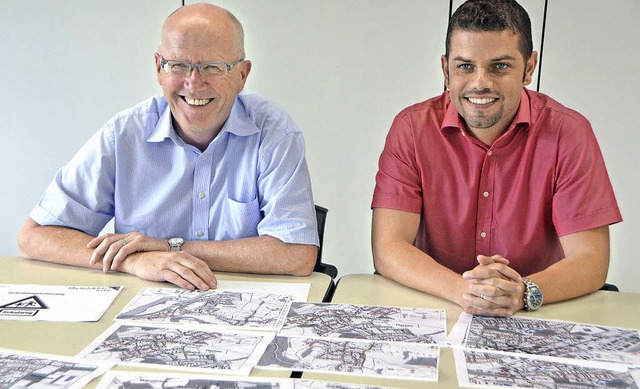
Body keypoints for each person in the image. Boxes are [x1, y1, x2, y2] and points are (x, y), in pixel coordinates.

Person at [17, 3, 318, 290]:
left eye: (213, 67)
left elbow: (296, 254)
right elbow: (35, 236)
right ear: (159, 69)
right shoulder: (123, 135)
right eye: (179, 65)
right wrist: (135, 261)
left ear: (242, 75)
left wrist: (170, 247)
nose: (194, 81)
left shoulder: (274, 134)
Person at [371, 0, 622, 317]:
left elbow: (590, 259)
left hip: (535, 312)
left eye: (499, 66)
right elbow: (388, 249)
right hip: (436, 305)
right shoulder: (411, 129)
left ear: (529, 68)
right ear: (446, 70)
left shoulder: (569, 133)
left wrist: (521, 292)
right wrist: (464, 291)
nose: (480, 83)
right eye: (465, 66)